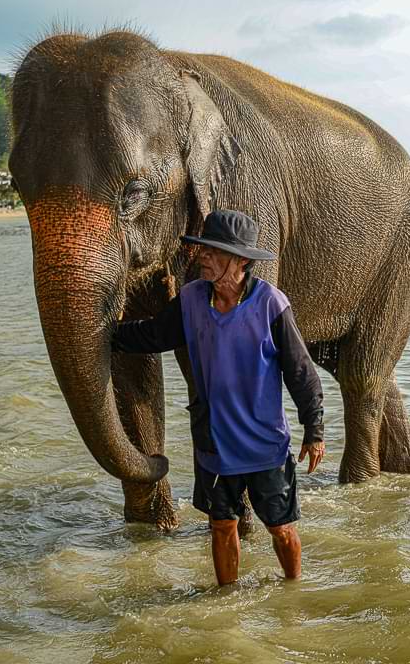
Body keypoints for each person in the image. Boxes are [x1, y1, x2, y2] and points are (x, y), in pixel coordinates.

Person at [112, 210, 325, 585]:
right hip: (213, 444)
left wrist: (315, 428)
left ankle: (294, 589)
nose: (202, 257)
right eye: (202, 249)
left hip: (265, 446)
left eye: (213, 251)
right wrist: (104, 333)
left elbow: (300, 371)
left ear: (241, 260)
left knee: (281, 528)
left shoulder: (271, 305)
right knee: (222, 525)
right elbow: (154, 336)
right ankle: (226, 596)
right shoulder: (192, 300)